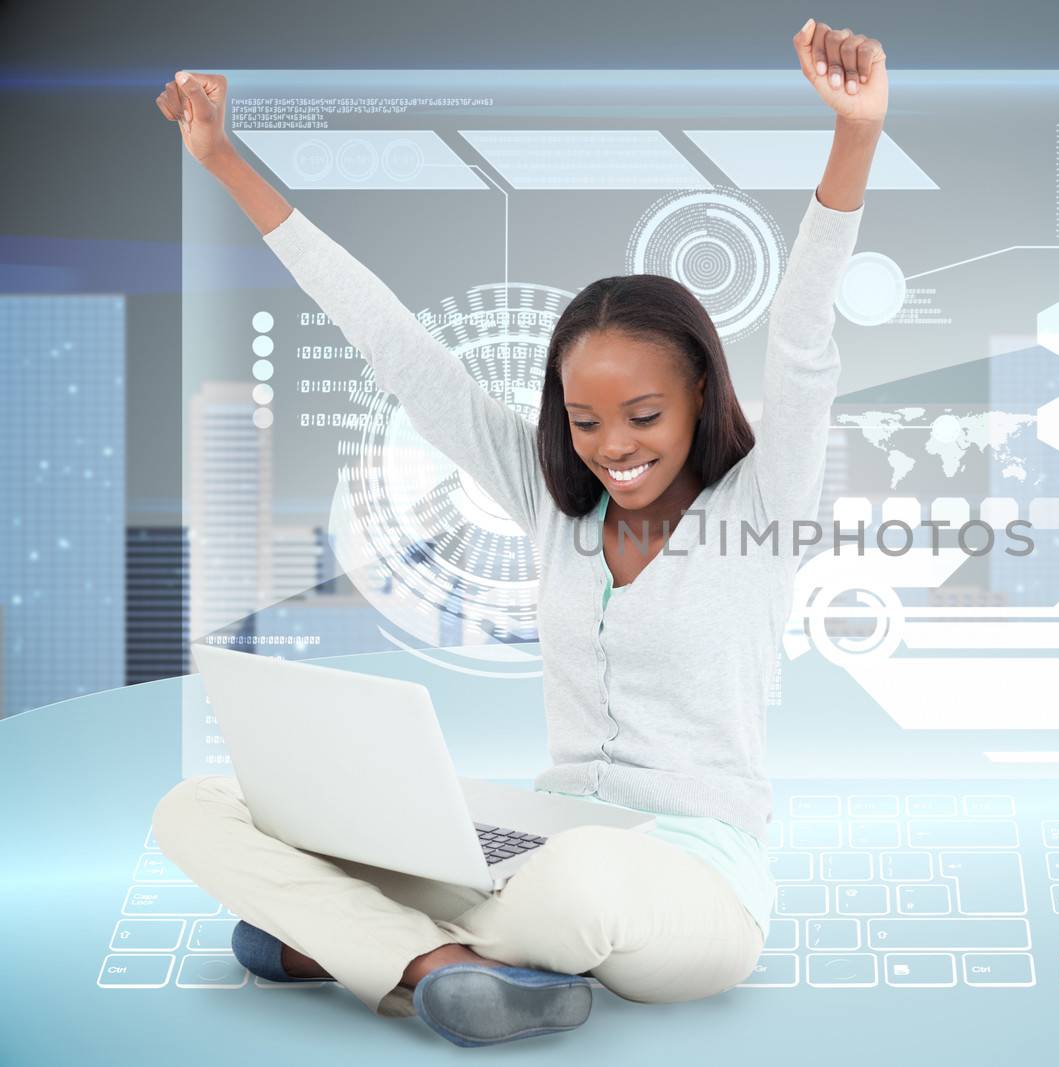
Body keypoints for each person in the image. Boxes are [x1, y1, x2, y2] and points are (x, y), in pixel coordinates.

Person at [148, 18, 889, 1048]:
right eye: (585, 421)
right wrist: (225, 160)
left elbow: (805, 338)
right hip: (528, 835)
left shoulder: (761, 511)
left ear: (699, 398)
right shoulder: (556, 508)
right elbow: (396, 346)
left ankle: (351, 939)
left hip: (689, 875)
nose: (613, 448)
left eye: (643, 416)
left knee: (575, 886)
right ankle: (440, 965)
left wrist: (854, 134)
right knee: (199, 803)